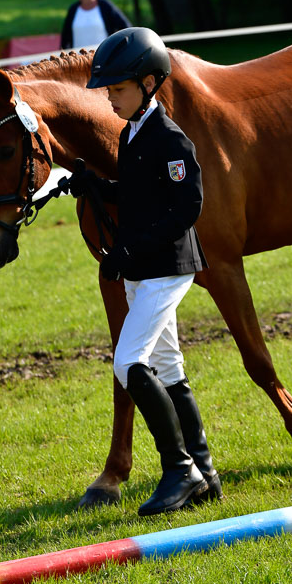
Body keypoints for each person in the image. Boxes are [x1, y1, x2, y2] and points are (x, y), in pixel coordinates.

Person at [68, 27, 222, 516]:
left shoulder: (168, 138)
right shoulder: (131, 133)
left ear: (150, 83)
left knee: (128, 363)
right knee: (169, 367)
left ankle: (179, 471)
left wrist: (130, 249)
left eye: (117, 89)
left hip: (165, 269)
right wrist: (94, 187)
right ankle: (205, 470)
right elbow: (136, 196)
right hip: (145, 270)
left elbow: (186, 208)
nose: (110, 99)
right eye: (109, 91)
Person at [60, 0, 131, 50]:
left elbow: (126, 27)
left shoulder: (105, 6)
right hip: (78, 60)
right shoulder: (73, 9)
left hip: (103, 58)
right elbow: (65, 38)